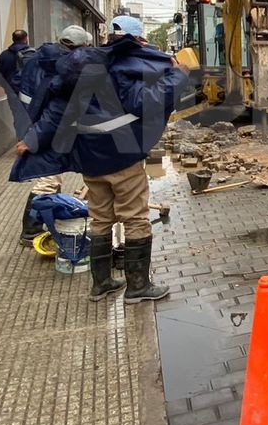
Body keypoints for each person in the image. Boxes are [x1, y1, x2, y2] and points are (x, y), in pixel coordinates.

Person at [12, 26, 191, 302]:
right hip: (122, 158)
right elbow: (144, 102)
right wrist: (178, 76)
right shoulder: (117, 68)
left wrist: (30, 141)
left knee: (100, 219)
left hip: (90, 162)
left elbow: (54, 115)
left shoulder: (70, 75)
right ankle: (138, 286)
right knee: (135, 218)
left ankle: (102, 283)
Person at [8, 26, 90, 247]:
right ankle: (31, 230)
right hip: (45, 128)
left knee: (52, 175)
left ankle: (49, 216)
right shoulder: (64, 66)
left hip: (33, 120)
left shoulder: (40, 58)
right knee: (48, 179)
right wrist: (32, 139)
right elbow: (56, 111)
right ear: (80, 46)